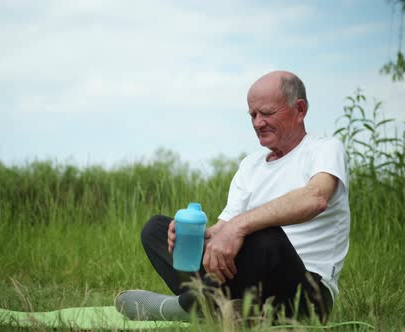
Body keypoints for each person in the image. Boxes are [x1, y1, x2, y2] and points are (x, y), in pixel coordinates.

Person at [116, 71, 350, 323]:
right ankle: (231, 311)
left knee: (264, 235)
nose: (258, 123)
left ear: (300, 109)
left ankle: (183, 308)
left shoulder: (324, 149)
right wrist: (192, 237)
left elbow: (315, 198)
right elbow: (224, 231)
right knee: (156, 229)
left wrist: (240, 226)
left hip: (305, 293)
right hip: (248, 281)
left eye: (267, 113)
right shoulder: (250, 165)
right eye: (253, 115)